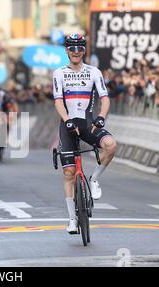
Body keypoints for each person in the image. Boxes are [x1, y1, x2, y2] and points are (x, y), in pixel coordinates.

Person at [52, 33, 117, 234]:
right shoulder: (59, 73)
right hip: (68, 124)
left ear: (84, 50)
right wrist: (68, 120)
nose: (76, 51)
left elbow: (105, 99)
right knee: (69, 174)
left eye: (80, 47)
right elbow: (58, 101)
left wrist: (101, 117)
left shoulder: (94, 72)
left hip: (89, 124)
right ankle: (72, 219)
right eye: (72, 48)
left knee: (111, 145)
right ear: (66, 50)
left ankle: (94, 178)